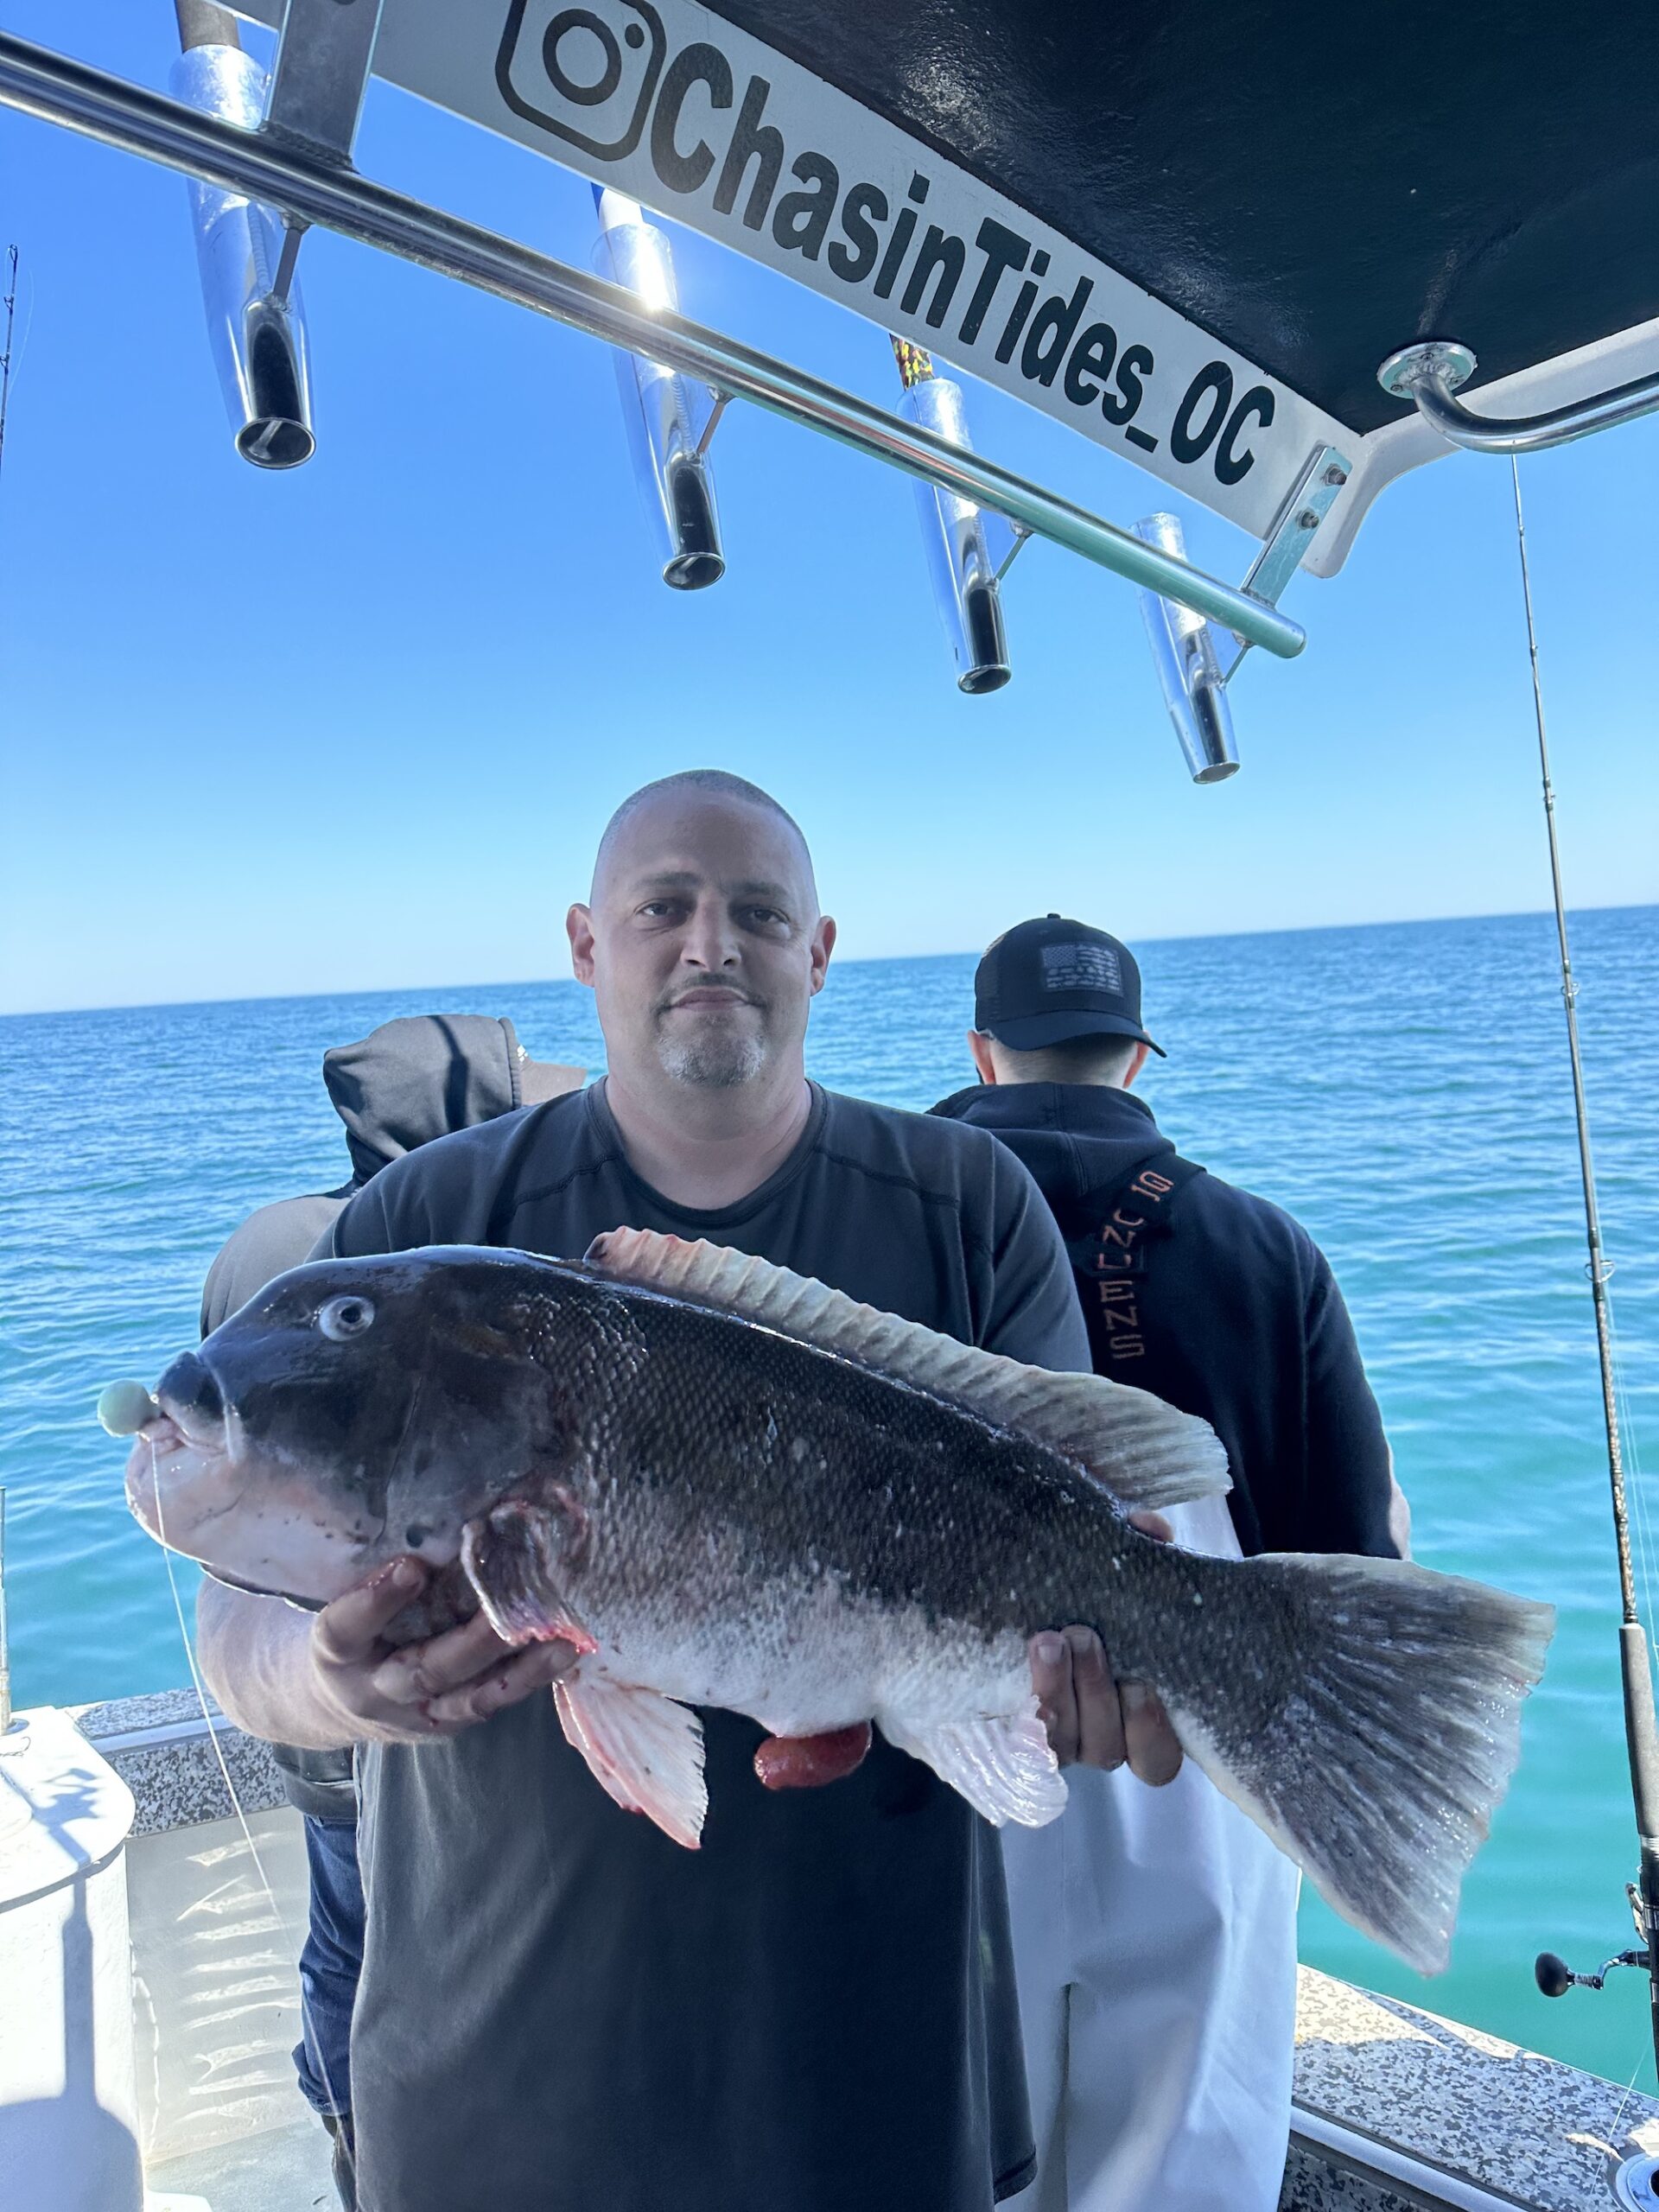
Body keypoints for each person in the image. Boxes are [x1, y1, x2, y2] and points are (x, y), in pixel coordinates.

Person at [194, 772, 1183, 2212]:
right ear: (589, 944)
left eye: (757, 913)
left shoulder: (972, 1210)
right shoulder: (422, 1231)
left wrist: (1120, 1682)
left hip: (885, 2088)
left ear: (819, 951)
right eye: (665, 907)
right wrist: (334, 1690)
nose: (710, 943)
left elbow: (1098, 1546)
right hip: (490, 2091)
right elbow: (236, 1636)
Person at [931, 913, 1406, 2212]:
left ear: (984, 1049)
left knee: (971, 2148)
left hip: (958, 1734)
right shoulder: (1269, 1250)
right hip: (1204, 1755)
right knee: (1189, 2149)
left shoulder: (899, 1226)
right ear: (1136, 1058)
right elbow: (1358, 1554)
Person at [201, 1013, 584, 2209]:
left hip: (317, 1748)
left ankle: (351, 2139)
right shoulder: (433, 1288)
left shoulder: (270, 1252)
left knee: (341, 1944)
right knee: (384, 1941)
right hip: (381, 1734)